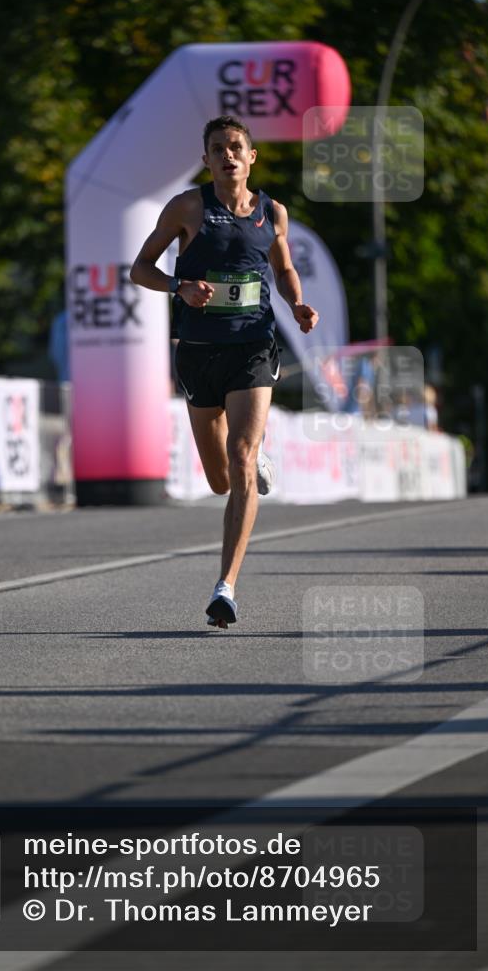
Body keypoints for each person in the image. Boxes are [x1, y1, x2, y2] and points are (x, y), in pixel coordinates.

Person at [131, 116, 318, 627]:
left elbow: (281, 269)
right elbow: (139, 268)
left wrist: (297, 303)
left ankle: (226, 586)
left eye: (236, 147)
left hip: (253, 347)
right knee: (220, 480)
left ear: (251, 156)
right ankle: (251, 462)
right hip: (197, 351)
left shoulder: (272, 212)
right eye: (218, 149)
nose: (228, 155)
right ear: (207, 158)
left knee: (240, 455)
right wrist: (179, 288)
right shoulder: (188, 207)